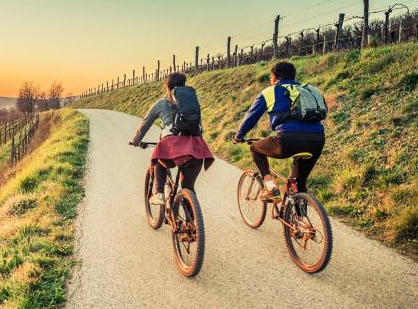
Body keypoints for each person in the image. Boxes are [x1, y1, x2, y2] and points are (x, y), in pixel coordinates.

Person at [233, 61, 325, 200]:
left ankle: (270, 188)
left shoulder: (270, 92)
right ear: (293, 76)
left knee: (255, 148)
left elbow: (251, 117)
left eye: (271, 77)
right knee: (300, 182)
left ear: (274, 77)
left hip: (288, 139)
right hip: (317, 139)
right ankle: (299, 219)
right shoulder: (310, 90)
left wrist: (238, 136)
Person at [130, 72, 214, 205]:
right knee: (188, 187)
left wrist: (135, 140)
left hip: (173, 146)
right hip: (196, 146)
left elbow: (145, 123)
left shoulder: (161, 103)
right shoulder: (192, 102)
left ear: (167, 87)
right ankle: (193, 222)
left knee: (158, 158)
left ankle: (159, 194)